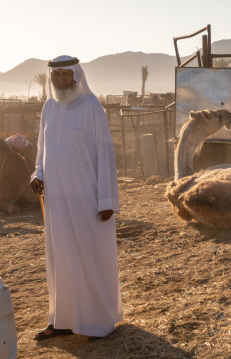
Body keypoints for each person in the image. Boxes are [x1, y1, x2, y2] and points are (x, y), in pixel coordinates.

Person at [29, 55, 123, 340]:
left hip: (86, 196)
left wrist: (106, 199)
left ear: (76, 76)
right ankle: (61, 320)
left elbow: (105, 153)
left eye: (65, 75)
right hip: (57, 197)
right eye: (55, 76)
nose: (60, 80)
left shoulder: (91, 107)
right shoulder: (49, 107)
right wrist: (39, 173)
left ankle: (96, 322)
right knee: (60, 257)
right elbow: (42, 147)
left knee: (87, 254)